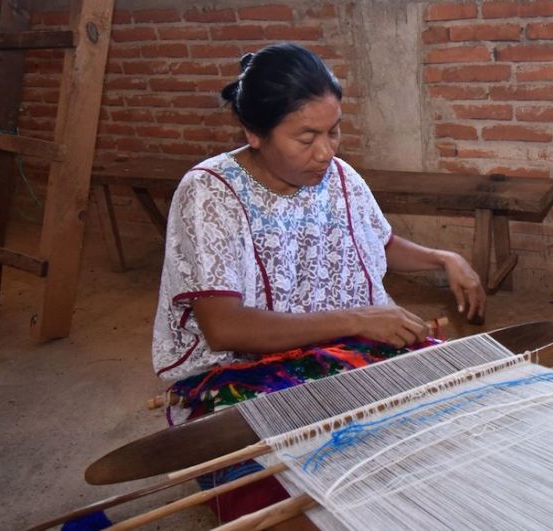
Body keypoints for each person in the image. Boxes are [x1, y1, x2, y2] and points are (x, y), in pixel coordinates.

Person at [150, 42, 486, 525]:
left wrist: (443, 256)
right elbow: (224, 328)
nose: (326, 151)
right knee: (288, 492)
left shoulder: (339, 177)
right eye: (306, 137)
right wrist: (358, 318)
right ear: (254, 132)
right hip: (245, 372)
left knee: (463, 418)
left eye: (334, 131)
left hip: (343, 352)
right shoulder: (209, 193)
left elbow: (377, 242)